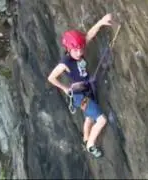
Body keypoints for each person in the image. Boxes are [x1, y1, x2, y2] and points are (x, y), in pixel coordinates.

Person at [47, 13, 113, 158]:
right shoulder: (66, 62)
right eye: (76, 50)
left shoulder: (78, 50)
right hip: (79, 96)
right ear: (69, 49)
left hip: (86, 90)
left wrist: (101, 22)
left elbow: (89, 35)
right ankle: (90, 145)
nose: (79, 52)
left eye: (81, 49)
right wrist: (65, 89)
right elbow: (51, 77)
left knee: (89, 118)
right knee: (101, 120)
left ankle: (85, 139)